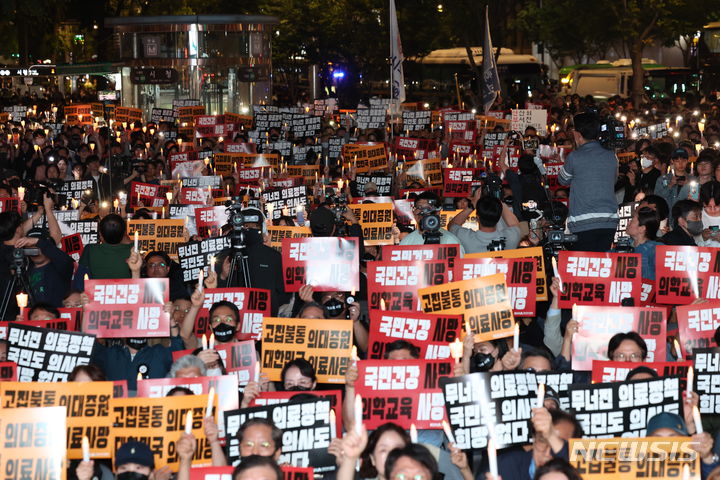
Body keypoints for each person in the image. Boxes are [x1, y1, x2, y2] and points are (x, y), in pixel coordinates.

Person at [558, 112, 619, 252]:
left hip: (583, 223)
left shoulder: (574, 156)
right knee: (600, 264)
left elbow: (562, 180)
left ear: (577, 134)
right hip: (609, 221)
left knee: (585, 267)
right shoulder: (611, 155)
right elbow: (613, 180)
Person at [449, 192, 521, 253]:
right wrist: (499, 202)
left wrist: (472, 206)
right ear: (499, 218)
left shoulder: (465, 237)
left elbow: (452, 225)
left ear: (477, 218)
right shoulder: (511, 237)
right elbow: (514, 224)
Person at [74, 213, 133, 283]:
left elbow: (79, 277)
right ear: (124, 234)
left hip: (96, 292)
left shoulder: (90, 249)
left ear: (100, 235)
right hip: (124, 292)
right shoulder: (132, 251)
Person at [400, 191, 465, 249]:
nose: (422, 212)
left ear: (437, 212)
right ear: (413, 212)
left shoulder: (452, 242)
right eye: (419, 208)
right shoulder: (406, 243)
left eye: (427, 209)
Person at [654, 148, 696, 216]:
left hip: (686, 217)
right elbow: (657, 199)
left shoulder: (692, 180)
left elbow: (695, 201)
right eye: (677, 161)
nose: (681, 164)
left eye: (683, 161)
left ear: (687, 161)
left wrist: (687, 188)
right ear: (672, 161)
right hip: (668, 217)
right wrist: (670, 185)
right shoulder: (663, 179)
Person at [625, 206, 661, 280]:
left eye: (632, 221)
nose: (628, 222)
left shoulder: (657, 250)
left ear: (642, 229)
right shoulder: (622, 247)